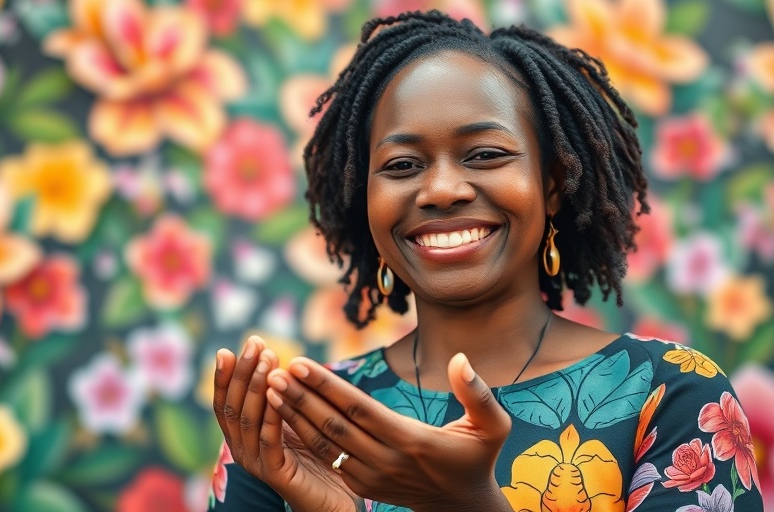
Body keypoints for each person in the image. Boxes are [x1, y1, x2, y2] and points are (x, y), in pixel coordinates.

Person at [210, 10, 765, 512]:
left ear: (551, 186)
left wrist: (470, 505)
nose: (443, 190)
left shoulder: (672, 395)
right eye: (402, 165)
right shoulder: (296, 429)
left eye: (486, 155)